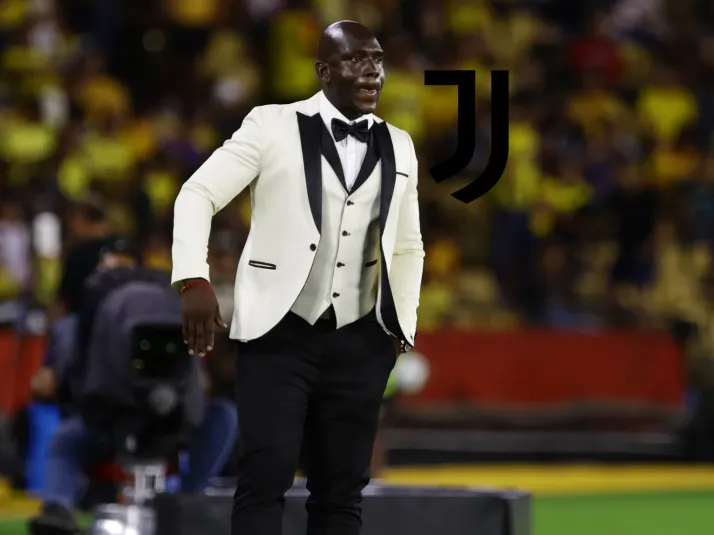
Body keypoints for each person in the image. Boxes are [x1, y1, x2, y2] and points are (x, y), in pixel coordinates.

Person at [172, 20, 424, 535]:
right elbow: (198, 193)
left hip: (361, 337)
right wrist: (193, 279)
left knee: (342, 493)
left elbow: (408, 244)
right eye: (355, 59)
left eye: (377, 60)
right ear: (323, 71)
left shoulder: (400, 144)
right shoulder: (270, 124)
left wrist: (402, 326)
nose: (372, 71)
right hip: (278, 333)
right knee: (265, 479)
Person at [28, 239, 239, 535]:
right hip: (119, 425)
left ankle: (186, 501)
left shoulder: (169, 314)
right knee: (67, 437)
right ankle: (59, 509)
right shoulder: (81, 322)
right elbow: (51, 381)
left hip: (158, 425)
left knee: (223, 415)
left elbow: (52, 383)